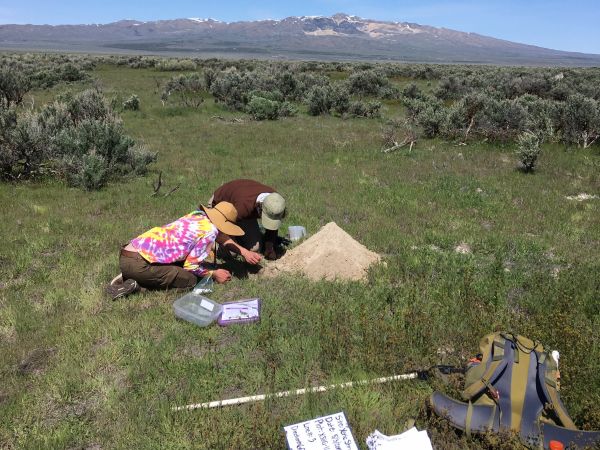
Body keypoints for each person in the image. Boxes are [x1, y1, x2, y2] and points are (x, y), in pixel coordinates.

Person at [106, 201, 257, 300]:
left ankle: (131, 274)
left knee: (180, 265)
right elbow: (191, 266)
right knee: (190, 280)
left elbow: (221, 236)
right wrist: (214, 274)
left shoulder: (198, 216)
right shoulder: (210, 231)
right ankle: (137, 285)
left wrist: (243, 252)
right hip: (139, 264)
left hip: (128, 254)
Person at [209, 179, 286, 260]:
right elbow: (221, 233)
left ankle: (240, 240)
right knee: (231, 253)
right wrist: (244, 253)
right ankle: (211, 245)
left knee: (255, 249)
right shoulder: (242, 207)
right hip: (219, 207)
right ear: (260, 209)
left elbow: (273, 224)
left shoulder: (276, 202)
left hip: (242, 211)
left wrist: (269, 248)